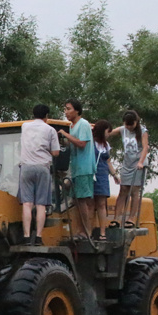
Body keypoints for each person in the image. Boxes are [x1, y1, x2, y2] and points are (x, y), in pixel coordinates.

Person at [19, 104, 60, 246]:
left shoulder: (24, 126)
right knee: (41, 204)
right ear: (46, 116)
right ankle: (38, 237)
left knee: (27, 204)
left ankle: (25, 236)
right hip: (42, 167)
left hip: (26, 167)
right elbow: (55, 153)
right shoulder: (50, 130)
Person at [58, 99, 96, 240]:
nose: (66, 112)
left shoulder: (83, 124)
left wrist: (66, 134)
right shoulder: (73, 126)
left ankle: (86, 231)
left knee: (82, 200)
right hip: (75, 167)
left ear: (77, 110)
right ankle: (81, 229)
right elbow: (72, 143)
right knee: (76, 201)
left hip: (84, 167)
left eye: (68, 109)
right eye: (65, 109)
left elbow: (81, 144)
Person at [107, 109, 149, 228]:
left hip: (137, 165)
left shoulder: (142, 131)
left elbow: (145, 148)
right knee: (123, 190)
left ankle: (131, 218)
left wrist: (141, 162)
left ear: (136, 122)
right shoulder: (122, 129)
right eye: (127, 124)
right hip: (127, 164)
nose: (129, 127)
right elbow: (108, 133)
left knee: (134, 191)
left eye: (131, 125)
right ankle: (116, 219)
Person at [92, 119, 120, 240]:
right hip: (92, 173)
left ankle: (102, 232)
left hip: (102, 175)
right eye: (108, 131)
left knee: (102, 204)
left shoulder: (106, 145)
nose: (109, 134)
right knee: (90, 204)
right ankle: (90, 231)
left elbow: (108, 161)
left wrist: (114, 175)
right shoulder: (91, 143)